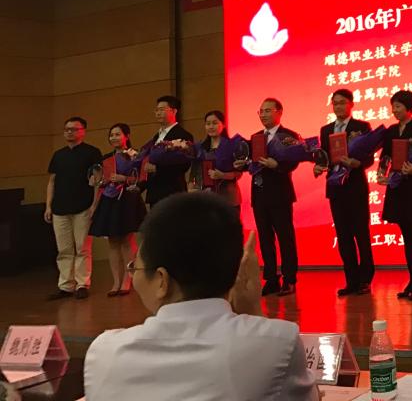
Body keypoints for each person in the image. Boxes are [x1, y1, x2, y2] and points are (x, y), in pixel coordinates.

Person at [83, 192, 319, 400]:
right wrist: (253, 314)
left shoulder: (105, 353)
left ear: (162, 281)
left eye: (135, 267)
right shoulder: (278, 343)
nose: (134, 276)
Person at [237, 98, 305, 296]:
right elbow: (250, 162)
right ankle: (271, 279)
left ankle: (289, 279)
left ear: (279, 112)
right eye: (261, 111)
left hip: (280, 194)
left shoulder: (289, 136)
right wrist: (241, 164)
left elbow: (294, 161)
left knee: (285, 238)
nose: (264, 115)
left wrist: (278, 165)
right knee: (265, 239)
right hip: (259, 194)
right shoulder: (255, 137)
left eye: (268, 110)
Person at [315, 89, 373, 297]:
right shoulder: (326, 130)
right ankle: (351, 280)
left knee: (361, 234)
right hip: (335, 189)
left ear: (351, 104)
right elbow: (324, 157)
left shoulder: (361, 127)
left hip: (355, 187)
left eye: (342, 102)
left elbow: (369, 158)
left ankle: (365, 279)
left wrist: (357, 163)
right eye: (335, 103)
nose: (338, 106)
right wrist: (318, 166)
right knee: (343, 236)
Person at [379, 90, 412, 300]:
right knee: (407, 235)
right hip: (397, 186)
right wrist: (381, 173)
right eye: (393, 106)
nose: (394, 110)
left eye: (398, 106)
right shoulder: (391, 131)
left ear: (410, 108)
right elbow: (385, 156)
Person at [45, 116, 103, 300]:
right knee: (64, 249)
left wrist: (94, 205)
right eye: (67, 129)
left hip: (83, 206)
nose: (70, 132)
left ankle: (82, 284)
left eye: (74, 129)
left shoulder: (92, 152)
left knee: (82, 248)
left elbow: (98, 181)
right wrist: (48, 206)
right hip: (59, 208)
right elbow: (52, 182)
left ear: (83, 131)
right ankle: (65, 285)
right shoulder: (58, 155)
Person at [89, 123, 147, 296]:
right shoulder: (106, 159)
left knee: (127, 240)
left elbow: (142, 179)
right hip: (109, 201)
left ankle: (128, 280)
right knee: (113, 242)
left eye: (117, 134)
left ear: (126, 136)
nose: (114, 137)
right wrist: (94, 203)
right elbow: (100, 185)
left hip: (128, 200)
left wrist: (124, 178)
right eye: (111, 135)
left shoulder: (136, 156)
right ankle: (116, 281)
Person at [142, 95, 194, 208]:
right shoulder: (156, 136)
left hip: (172, 191)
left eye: (162, 110)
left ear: (174, 111)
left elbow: (184, 164)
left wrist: (157, 168)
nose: (158, 113)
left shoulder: (183, 135)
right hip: (155, 192)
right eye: (156, 110)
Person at [193, 110, 243, 216]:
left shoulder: (232, 145)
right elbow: (196, 171)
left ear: (223, 124)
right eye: (208, 124)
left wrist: (222, 175)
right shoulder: (201, 148)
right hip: (207, 197)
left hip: (228, 197)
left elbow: (238, 173)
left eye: (215, 123)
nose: (211, 127)